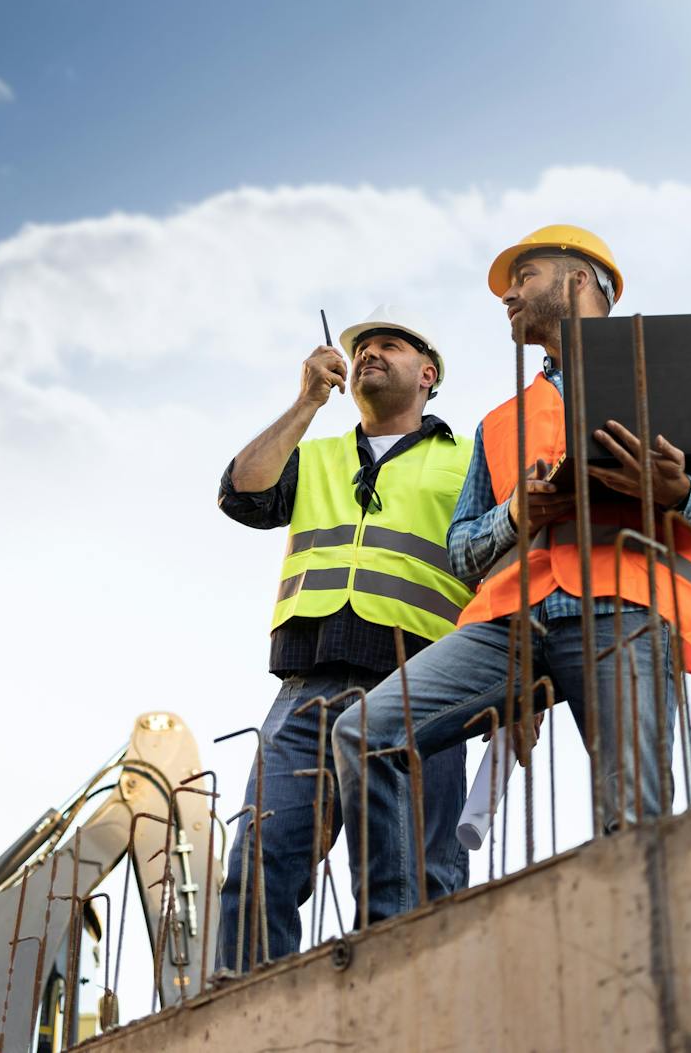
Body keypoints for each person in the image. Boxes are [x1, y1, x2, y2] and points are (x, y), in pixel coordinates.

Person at [332, 225, 691, 925]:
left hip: (626, 612)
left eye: (525, 275)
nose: (508, 293)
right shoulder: (502, 420)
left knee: (633, 821)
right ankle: (388, 938)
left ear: (581, 280)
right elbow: (463, 549)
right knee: (360, 733)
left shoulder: (671, 371)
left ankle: (638, 951)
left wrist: (676, 491)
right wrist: (517, 514)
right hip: (511, 628)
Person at [213, 304, 472, 971]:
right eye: (362, 347)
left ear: (428, 373)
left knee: (416, 879)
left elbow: (502, 559)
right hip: (308, 688)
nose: (371, 353)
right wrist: (305, 403)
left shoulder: (468, 461)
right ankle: (250, 1016)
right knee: (259, 861)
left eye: (390, 345)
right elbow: (241, 493)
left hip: (421, 683)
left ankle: (408, 1010)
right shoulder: (316, 455)